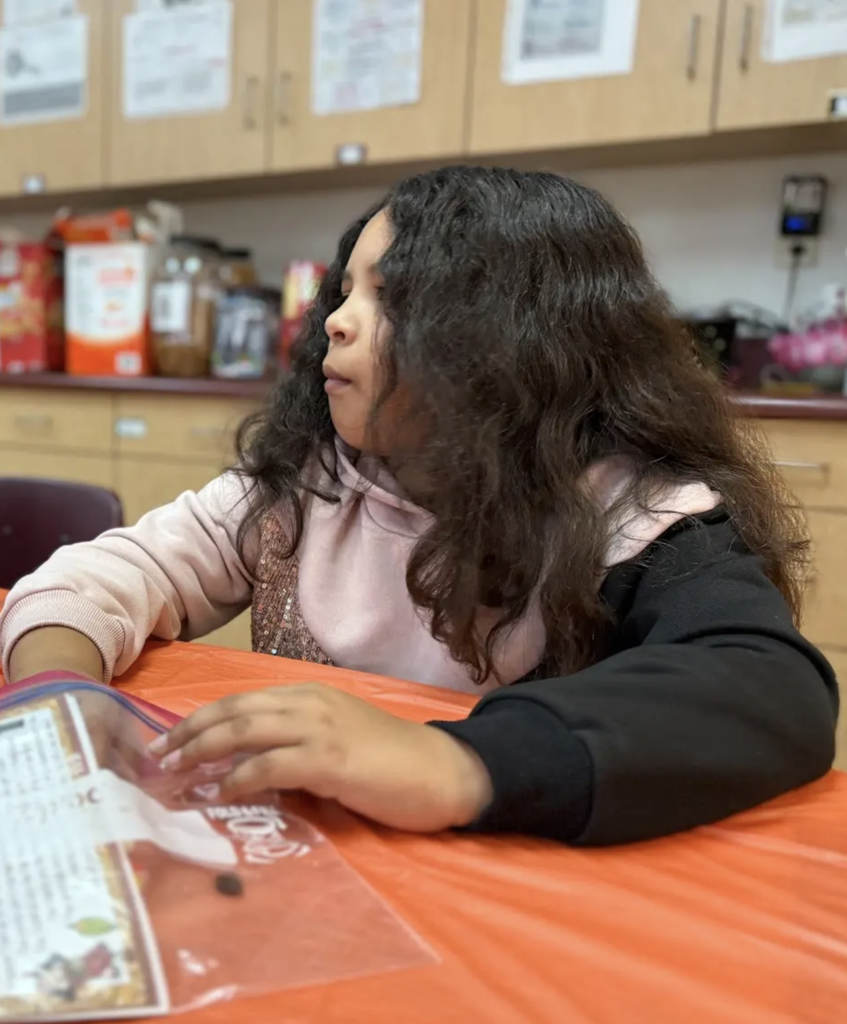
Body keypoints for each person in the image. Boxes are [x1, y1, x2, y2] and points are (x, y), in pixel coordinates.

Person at [0, 167, 837, 846]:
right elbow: (118, 570)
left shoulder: (638, 516)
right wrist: (60, 699)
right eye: (343, 291)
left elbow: (768, 687)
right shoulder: (304, 482)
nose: (335, 321)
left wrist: (450, 763)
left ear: (513, 338)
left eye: (388, 297)